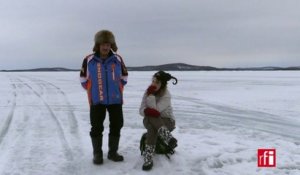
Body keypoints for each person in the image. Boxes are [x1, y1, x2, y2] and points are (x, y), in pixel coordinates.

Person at [80, 30, 128, 165]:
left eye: (108, 44)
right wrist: (92, 90)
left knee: (117, 124)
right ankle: (97, 154)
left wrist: (117, 88)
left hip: (115, 99)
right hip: (97, 100)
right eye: (103, 44)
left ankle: (113, 152)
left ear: (111, 45)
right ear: (98, 45)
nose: (105, 47)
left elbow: (124, 76)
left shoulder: (117, 59)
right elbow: (83, 79)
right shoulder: (89, 60)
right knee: (96, 127)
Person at [139, 70, 178, 171]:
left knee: (152, 127)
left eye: (157, 82)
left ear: (162, 84)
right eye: (153, 81)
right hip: (149, 119)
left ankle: (148, 158)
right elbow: (141, 110)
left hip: (167, 121)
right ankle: (168, 137)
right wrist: (146, 110)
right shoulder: (147, 92)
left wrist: (150, 97)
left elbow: (156, 111)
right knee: (152, 119)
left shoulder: (166, 95)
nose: (154, 84)